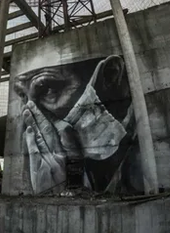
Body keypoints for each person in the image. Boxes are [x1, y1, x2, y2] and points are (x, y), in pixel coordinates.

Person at [13, 55, 144, 195]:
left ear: (110, 76)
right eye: (23, 96)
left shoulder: (144, 156)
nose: (31, 112)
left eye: (49, 91)